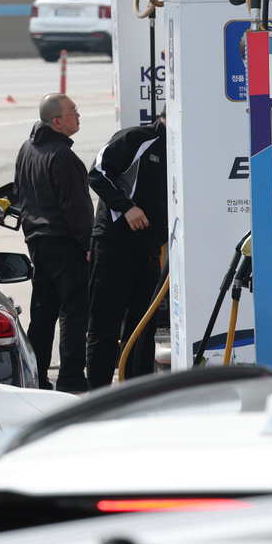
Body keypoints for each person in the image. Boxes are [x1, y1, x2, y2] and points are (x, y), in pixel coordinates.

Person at [14, 93, 94, 392]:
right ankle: (71, 378)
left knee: (43, 314)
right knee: (74, 312)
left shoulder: (27, 149)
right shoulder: (63, 156)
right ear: (57, 121)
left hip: (38, 242)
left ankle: (35, 376)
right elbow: (76, 207)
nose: (78, 115)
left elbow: (21, 195)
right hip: (65, 243)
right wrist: (88, 244)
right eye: (73, 111)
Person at [85, 111, 168, 389]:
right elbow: (97, 172)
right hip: (114, 245)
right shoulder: (137, 138)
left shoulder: (181, 148)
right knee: (105, 327)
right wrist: (127, 207)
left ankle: (139, 395)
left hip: (150, 250)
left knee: (143, 328)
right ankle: (99, 397)